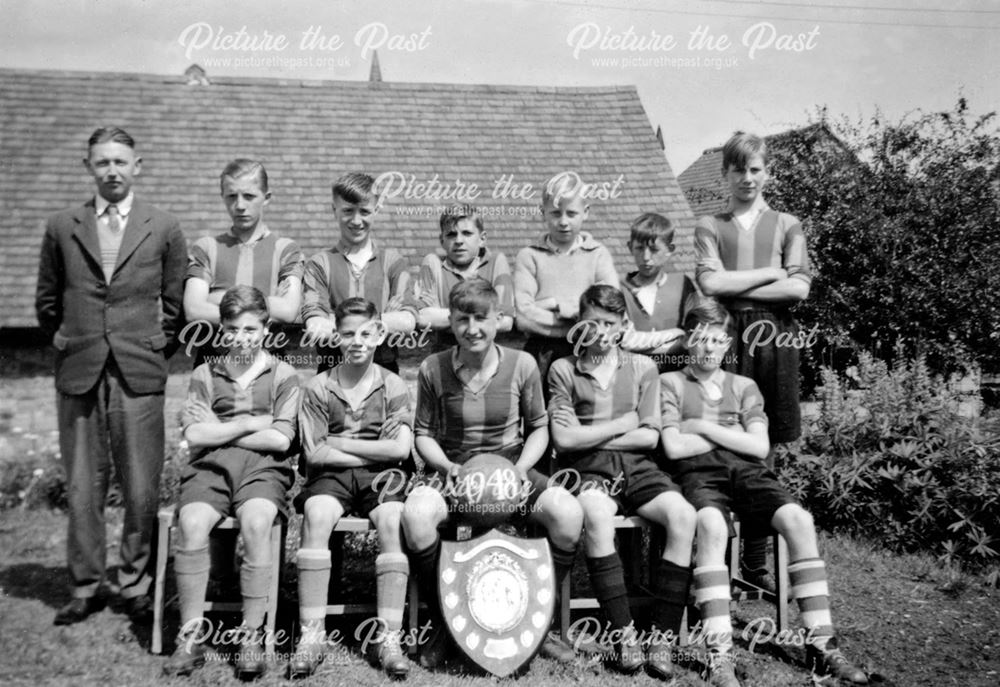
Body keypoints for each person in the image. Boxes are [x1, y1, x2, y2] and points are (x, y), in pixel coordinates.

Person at [659, 300, 868, 687]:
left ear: (728, 344)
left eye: (717, 341)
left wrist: (700, 428)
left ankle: (822, 646)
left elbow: (758, 447)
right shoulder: (670, 383)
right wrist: (729, 433)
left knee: (799, 520)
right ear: (689, 342)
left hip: (747, 470)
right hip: (698, 474)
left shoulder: (744, 386)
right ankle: (719, 654)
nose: (708, 349)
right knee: (710, 525)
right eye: (701, 340)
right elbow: (673, 448)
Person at [35, 126, 187, 626]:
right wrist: (72, 338)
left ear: (137, 166)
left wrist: (150, 342)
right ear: (89, 168)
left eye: (121, 162)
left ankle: (137, 584)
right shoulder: (62, 225)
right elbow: (48, 301)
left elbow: (173, 303)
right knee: (83, 484)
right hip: (79, 369)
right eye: (102, 163)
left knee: (141, 484)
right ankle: (84, 584)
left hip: (138, 370)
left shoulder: (163, 226)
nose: (112, 171)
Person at [402, 280, 584, 668]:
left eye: (481, 318)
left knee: (567, 514)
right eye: (462, 319)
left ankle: (542, 622)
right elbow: (422, 435)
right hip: (453, 472)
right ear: (450, 323)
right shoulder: (432, 368)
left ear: (498, 320)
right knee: (417, 516)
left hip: (512, 471)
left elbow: (539, 427)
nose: (473, 328)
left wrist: (520, 470)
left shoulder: (523, 364)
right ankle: (444, 624)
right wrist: (447, 467)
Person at [548, 285, 696, 679]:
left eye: (610, 324)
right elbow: (564, 440)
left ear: (624, 325)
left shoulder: (643, 368)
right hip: (589, 466)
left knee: (682, 515)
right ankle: (623, 634)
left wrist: (593, 430)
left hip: (638, 466)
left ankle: (662, 637)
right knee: (595, 513)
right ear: (579, 323)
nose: (600, 332)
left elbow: (649, 436)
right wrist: (623, 423)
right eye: (592, 323)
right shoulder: (564, 369)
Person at [694, 131, 812, 589]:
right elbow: (710, 285)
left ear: (768, 172)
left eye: (755, 169)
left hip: (775, 337)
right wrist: (770, 272)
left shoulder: (788, 224)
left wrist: (735, 281)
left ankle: (756, 564)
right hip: (726, 335)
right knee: (722, 438)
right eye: (738, 169)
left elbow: (798, 288)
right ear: (724, 173)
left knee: (768, 443)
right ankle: (717, 559)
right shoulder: (710, 224)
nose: (747, 178)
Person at [163, 286, 300, 679]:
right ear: (221, 330)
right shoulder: (206, 373)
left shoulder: (284, 375)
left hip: (263, 467)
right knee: (191, 523)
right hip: (210, 467)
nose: (241, 338)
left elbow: (281, 439)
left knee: (257, 523)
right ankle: (189, 638)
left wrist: (221, 427)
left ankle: (251, 634)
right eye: (233, 330)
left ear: (266, 330)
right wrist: (247, 423)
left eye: (250, 330)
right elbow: (196, 436)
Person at [289, 297, 413, 679]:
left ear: (378, 335)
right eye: (347, 334)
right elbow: (314, 453)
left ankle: (388, 636)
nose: (356, 341)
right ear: (335, 337)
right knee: (317, 512)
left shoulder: (393, 385)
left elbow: (400, 449)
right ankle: (312, 635)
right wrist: (372, 451)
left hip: (380, 476)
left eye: (365, 333)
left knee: (393, 517)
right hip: (335, 476)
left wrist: (340, 444)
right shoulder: (317, 386)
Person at [182, 158, 304, 364]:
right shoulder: (206, 247)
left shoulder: (286, 249)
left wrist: (218, 297)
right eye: (231, 196)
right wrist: (266, 303)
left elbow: (288, 311)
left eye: (249, 196)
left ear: (266, 198)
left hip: (270, 365)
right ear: (222, 197)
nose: (239, 205)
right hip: (214, 364)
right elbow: (193, 310)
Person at [514, 171, 619, 391]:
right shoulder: (529, 256)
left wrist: (553, 305)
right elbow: (524, 316)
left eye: (571, 213)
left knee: (586, 413)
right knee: (541, 416)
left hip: (589, 350)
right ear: (542, 212)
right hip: (542, 354)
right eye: (555, 213)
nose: (563, 222)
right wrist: (579, 317)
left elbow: (609, 310)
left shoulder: (598, 255)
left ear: (586, 212)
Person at [301, 172, 415, 373]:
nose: (356, 220)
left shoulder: (393, 262)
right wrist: (382, 320)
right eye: (348, 211)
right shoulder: (319, 264)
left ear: (376, 210)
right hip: (332, 371)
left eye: (364, 211)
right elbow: (316, 328)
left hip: (383, 370)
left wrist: (334, 319)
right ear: (334, 210)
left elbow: (407, 322)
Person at [414, 205, 513, 353]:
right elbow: (422, 318)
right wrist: (484, 315)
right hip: (446, 351)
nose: (459, 240)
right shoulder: (433, 263)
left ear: (482, 239)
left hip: (487, 352)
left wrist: (442, 314)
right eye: (451, 234)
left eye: (467, 233)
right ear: (442, 240)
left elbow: (506, 321)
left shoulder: (496, 261)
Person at [619, 212, 698, 373]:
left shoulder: (683, 285)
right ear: (629, 247)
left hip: (677, 376)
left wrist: (638, 348)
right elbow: (622, 341)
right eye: (639, 248)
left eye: (654, 249)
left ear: (670, 249)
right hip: (631, 376)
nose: (646, 257)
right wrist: (675, 336)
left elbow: (692, 338)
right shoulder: (620, 288)